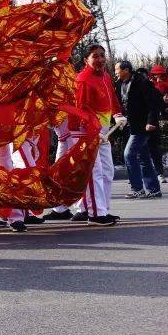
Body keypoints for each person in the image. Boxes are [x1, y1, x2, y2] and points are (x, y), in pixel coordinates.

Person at [44, 45, 123, 225]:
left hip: (103, 132)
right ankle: (95, 213)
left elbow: (112, 100)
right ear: (86, 59)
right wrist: (90, 132)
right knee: (93, 172)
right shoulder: (83, 80)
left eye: (102, 56)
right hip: (87, 133)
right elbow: (79, 112)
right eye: (95, 56)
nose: (100, 60)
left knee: (107, 171)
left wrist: (118, 115)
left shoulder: (105, 77)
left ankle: (102, 209)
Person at [116, 60, 163, 200]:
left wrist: (151, 122)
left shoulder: (142, 82)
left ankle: (137, 189)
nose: (115, 72)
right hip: (131, 125)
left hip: (143, 126)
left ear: (126, 70)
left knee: (129, 154)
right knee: (144, 158)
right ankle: (154, 189)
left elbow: (153, 104)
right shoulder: (119, 84)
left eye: (117, 69)